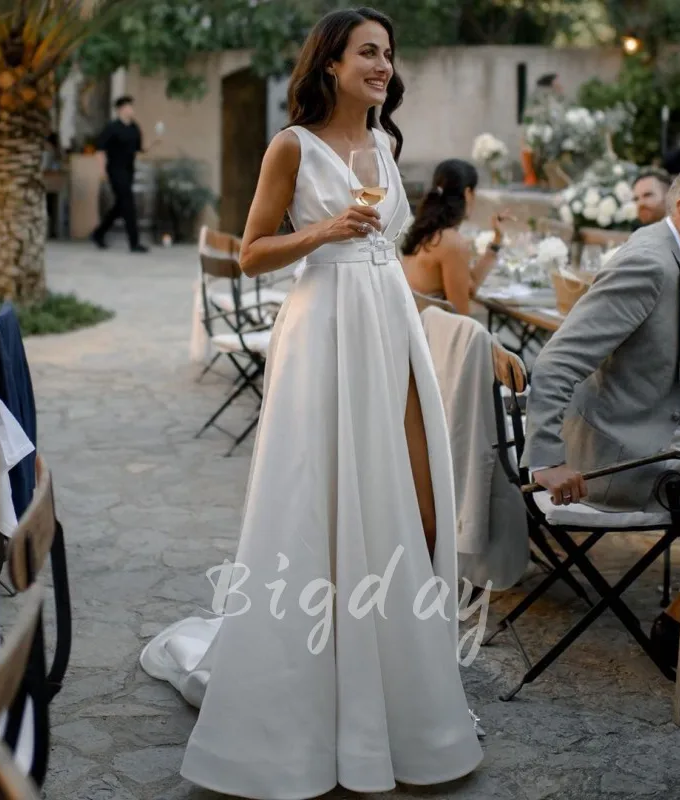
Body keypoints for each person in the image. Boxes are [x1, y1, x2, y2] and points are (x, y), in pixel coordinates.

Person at [140, 7, 483, 798]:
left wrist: (418, 339)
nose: (383, 66)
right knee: (316, 502)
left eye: (389, 55)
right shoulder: (290, 147)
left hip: (384, 327)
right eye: (368, 52)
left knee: (395, 497)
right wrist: (325, 229)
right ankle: (302, 704)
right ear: (329, 63)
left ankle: (395, 703)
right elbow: (253, 252)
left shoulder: (386, 148)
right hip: (322, 331)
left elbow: (391, 253)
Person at [523, 159, 680, 510]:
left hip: (668, 440)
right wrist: (547, 461)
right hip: (619, 461)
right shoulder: (649, 264)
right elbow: (556, 361)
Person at [401, 158, 525, 391]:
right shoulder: (451, 242)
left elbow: (468, 287)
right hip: (439, 352)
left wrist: (495, 243)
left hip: (418, 341)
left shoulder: (426, 233)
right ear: (468, 194)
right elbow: (463, 319)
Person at [91, 96, 157, 253]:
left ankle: (98, 233)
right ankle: (134, 243)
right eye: (129, 107)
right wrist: (101, 172)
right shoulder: (112, 128)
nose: (132, 110)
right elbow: (100, 150)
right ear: (121, 109)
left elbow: (140, 149)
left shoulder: (134, 127)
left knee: (121, 206)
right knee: (128, 205)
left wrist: (154, 142)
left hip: (129, 170)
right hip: (115, 170)